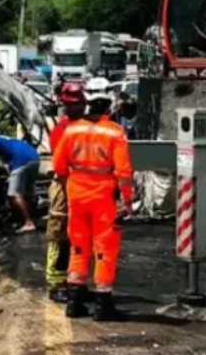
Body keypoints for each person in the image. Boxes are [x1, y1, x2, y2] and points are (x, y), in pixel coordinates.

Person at [52, 77, 134, 321]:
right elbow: (124, 173)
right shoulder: (115, 133)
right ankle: (103, 305)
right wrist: (126, 202)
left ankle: (74, 303)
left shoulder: (71, 129)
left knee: (78, 246)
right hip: (104, 198)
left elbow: (58, 166)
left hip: (76, 194)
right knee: (104, 249)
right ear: (110, 104)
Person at [45, 82, 86, 303]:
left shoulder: (86, 128)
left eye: (79, 104)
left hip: (82, 186)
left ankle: (74, 281)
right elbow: (61, 166)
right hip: (64, 184)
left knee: (78, 236)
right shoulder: (61, 130)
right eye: (72, 105)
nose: (76, 108)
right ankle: (56, 284)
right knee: (59, 233)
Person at [0, 124, 40, 233]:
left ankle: (28, 222)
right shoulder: (6, 138)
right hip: (35, 159)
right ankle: (31, 217)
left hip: (21, 162)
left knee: (14, 194)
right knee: (27, 192)